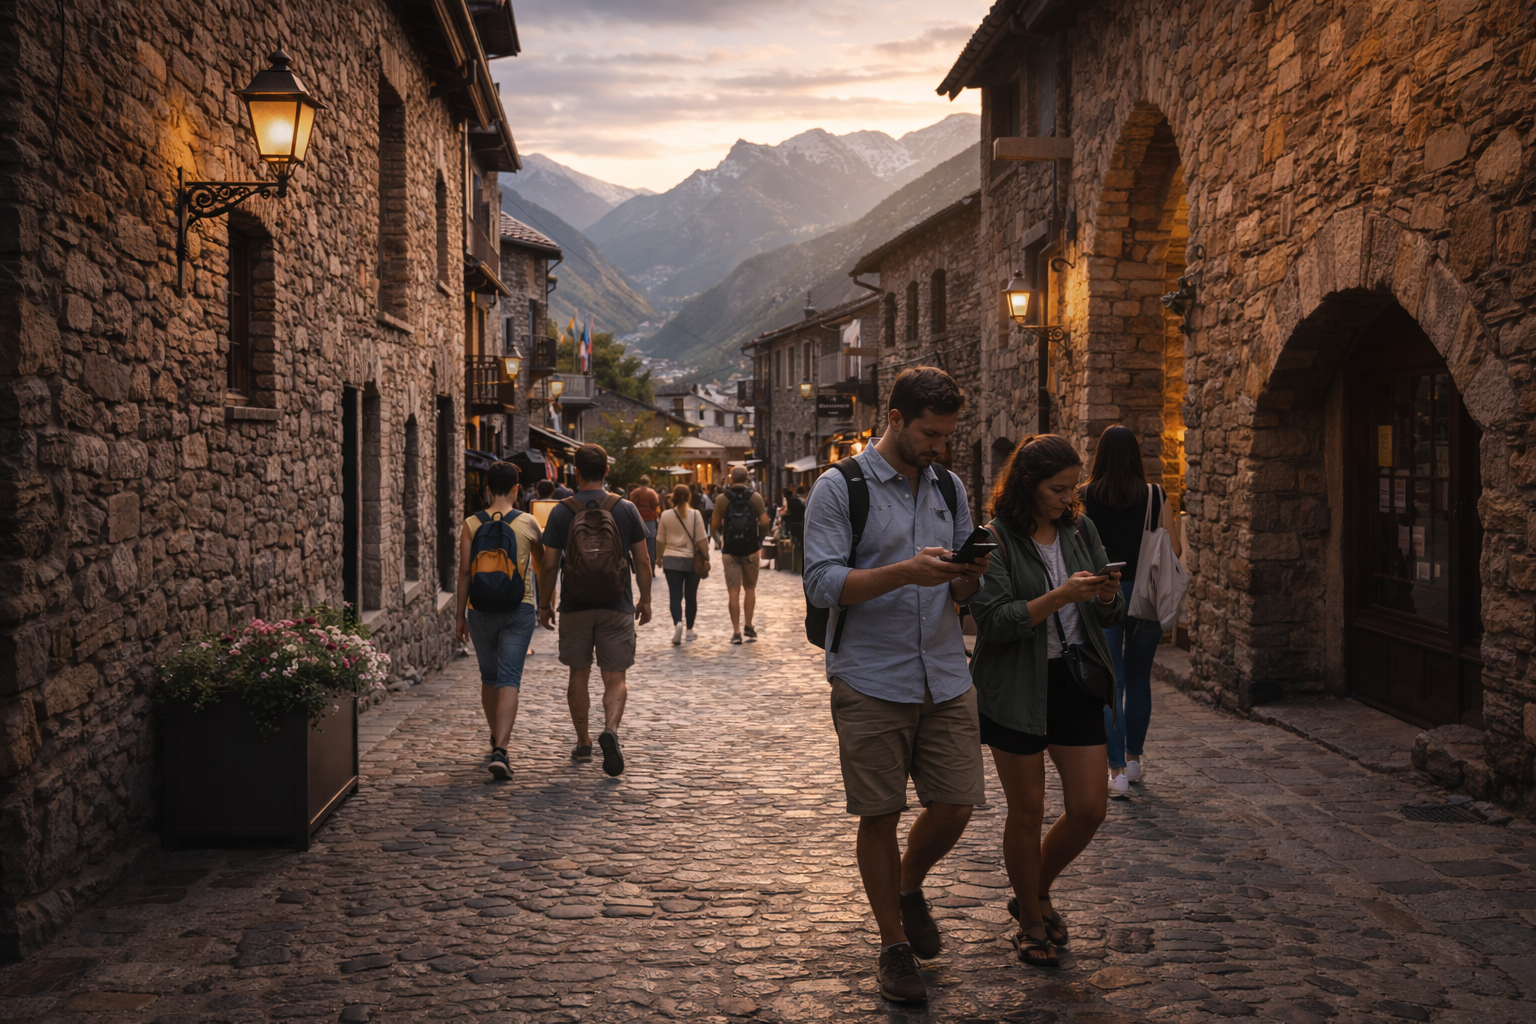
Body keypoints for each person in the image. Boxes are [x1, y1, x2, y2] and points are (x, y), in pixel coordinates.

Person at [803, 366, 989, 1005]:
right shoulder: (839, 488)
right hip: (869, 675)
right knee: (880, 815)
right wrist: (905, 572)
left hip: (944, 672)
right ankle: (893, 947)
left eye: (947, 436)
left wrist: (968, 576)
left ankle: (909, 887)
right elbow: (823, 584)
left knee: (958, 803)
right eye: (930, 434)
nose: (940, 447)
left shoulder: (949, 486)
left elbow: (965, 589)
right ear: (895, 420)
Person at [968, 434, 1125, 971]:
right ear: (1029, 486)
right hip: (1015, 686)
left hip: (1075, 679)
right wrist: (1060, 595)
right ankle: (1032, 922)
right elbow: (993, 622)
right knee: (1028, 810)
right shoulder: (994, 541)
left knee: (1088, 807)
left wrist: (1105, 594)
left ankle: (1034, 889)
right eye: (1058, 489)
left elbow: (1110, 613)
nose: (1067, 497)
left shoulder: (1081, 530)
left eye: (1072, 488)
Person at [538, 444, 653, 776]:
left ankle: (583, 742)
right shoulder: (626, 508)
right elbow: (642, 560)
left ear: (575, 472)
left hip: (575, 605)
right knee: (615, 677)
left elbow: (549, 564)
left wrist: (546, 603)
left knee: (579, 674)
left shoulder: (561, 511)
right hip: (616, 604)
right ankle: (611, 730)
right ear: (606, 471)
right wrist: (644, 599)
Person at [1081, 425, 1182, 797]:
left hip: (1102, 593)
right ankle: (1135, 758)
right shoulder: (1156, 496)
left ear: (1100, 454)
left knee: (1112, 681)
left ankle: (1117, 771)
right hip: (1148, 597)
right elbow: (1174, 550)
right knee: (1140, 680)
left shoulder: (1084, 497)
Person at [454, 462, 545, 781]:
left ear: (488, 489)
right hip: (519, 608)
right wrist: (547, 603)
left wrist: (459, 615)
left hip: (479, 610)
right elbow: (542, 564)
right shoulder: (528, 522)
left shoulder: (471, 524)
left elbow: (465, 572)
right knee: (509, 677)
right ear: (517, 489)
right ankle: (501, 750)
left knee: (488, 675)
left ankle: (495, 738)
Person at [713, 466, 769, 644]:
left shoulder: (722, 499)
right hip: (750, 549)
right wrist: (759, 539)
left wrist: (720, 540)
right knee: (750, 588)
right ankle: (749, 625)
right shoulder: (755, 497)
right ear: (747, 478)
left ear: (730, 478)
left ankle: (736, 631)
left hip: (730, 551)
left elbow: (713, 525)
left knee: (733, 591)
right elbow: (765, 521)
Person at [655, 484, 707, 645]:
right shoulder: (696, 514)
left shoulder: (666, 515)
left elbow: (660, 539)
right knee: (691, 596)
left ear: (673, 497)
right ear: (689, 497)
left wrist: (659, 557)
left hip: (671, 560)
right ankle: (690, 631)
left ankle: (678, 622)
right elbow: (701, 539)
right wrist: (706, 557)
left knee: (675, 596)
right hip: (692, 560)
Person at [629, 475, 660, 567]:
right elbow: (655, 505)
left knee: (638, 544)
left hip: (637, 520)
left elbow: (632, 506)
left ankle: (640, 565)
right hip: (650, 520)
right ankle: (652, 567)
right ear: (648, 483)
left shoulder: (634, 493)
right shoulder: (652, 493)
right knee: (651, 545)